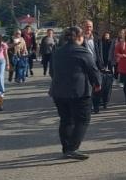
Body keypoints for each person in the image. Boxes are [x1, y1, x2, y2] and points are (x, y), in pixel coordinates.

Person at [49, 26, 101, 160]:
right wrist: (97, 83)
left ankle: (66, 148)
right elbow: (93, 70)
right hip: (79, 92)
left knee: (66, 119)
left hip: (58, 91)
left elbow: (51, 72)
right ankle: (72, 148)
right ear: (79, 37)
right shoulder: (82, 52)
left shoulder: (57, 52)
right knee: (83, 119)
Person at [92, 30, 115, 112]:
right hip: (95, 66)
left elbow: (101, 53)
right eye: (105, 35)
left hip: (104, 64)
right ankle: (96, 104)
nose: (107, 37)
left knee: (105, 85)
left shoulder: (108, 42)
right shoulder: (98, 42)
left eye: (108, 35)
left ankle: (104, 102)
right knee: (96, 85)